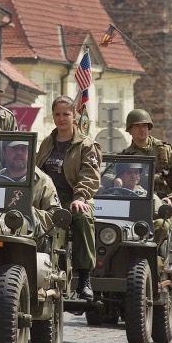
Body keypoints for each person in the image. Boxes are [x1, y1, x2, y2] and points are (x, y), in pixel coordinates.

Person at [36, 95, 100, 301]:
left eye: (66, 114)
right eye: (57, 114)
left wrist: (80, 197)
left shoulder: (86, 145)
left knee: (82, 218)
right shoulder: (47, 143)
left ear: (74, 116)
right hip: (49, 199)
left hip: (75, 197)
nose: (62, 118)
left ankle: (84, 279)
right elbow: (36, 173)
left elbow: (90, 175)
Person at [121, 109, 172, 206]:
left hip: (166, 203)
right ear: (130, 130)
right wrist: (118, 180)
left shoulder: (166, 150)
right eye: (137, 126)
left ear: (149, 128)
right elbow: (109, 177)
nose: (142, 129)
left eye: (144, 126)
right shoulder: (125, 156)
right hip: (137, 202)